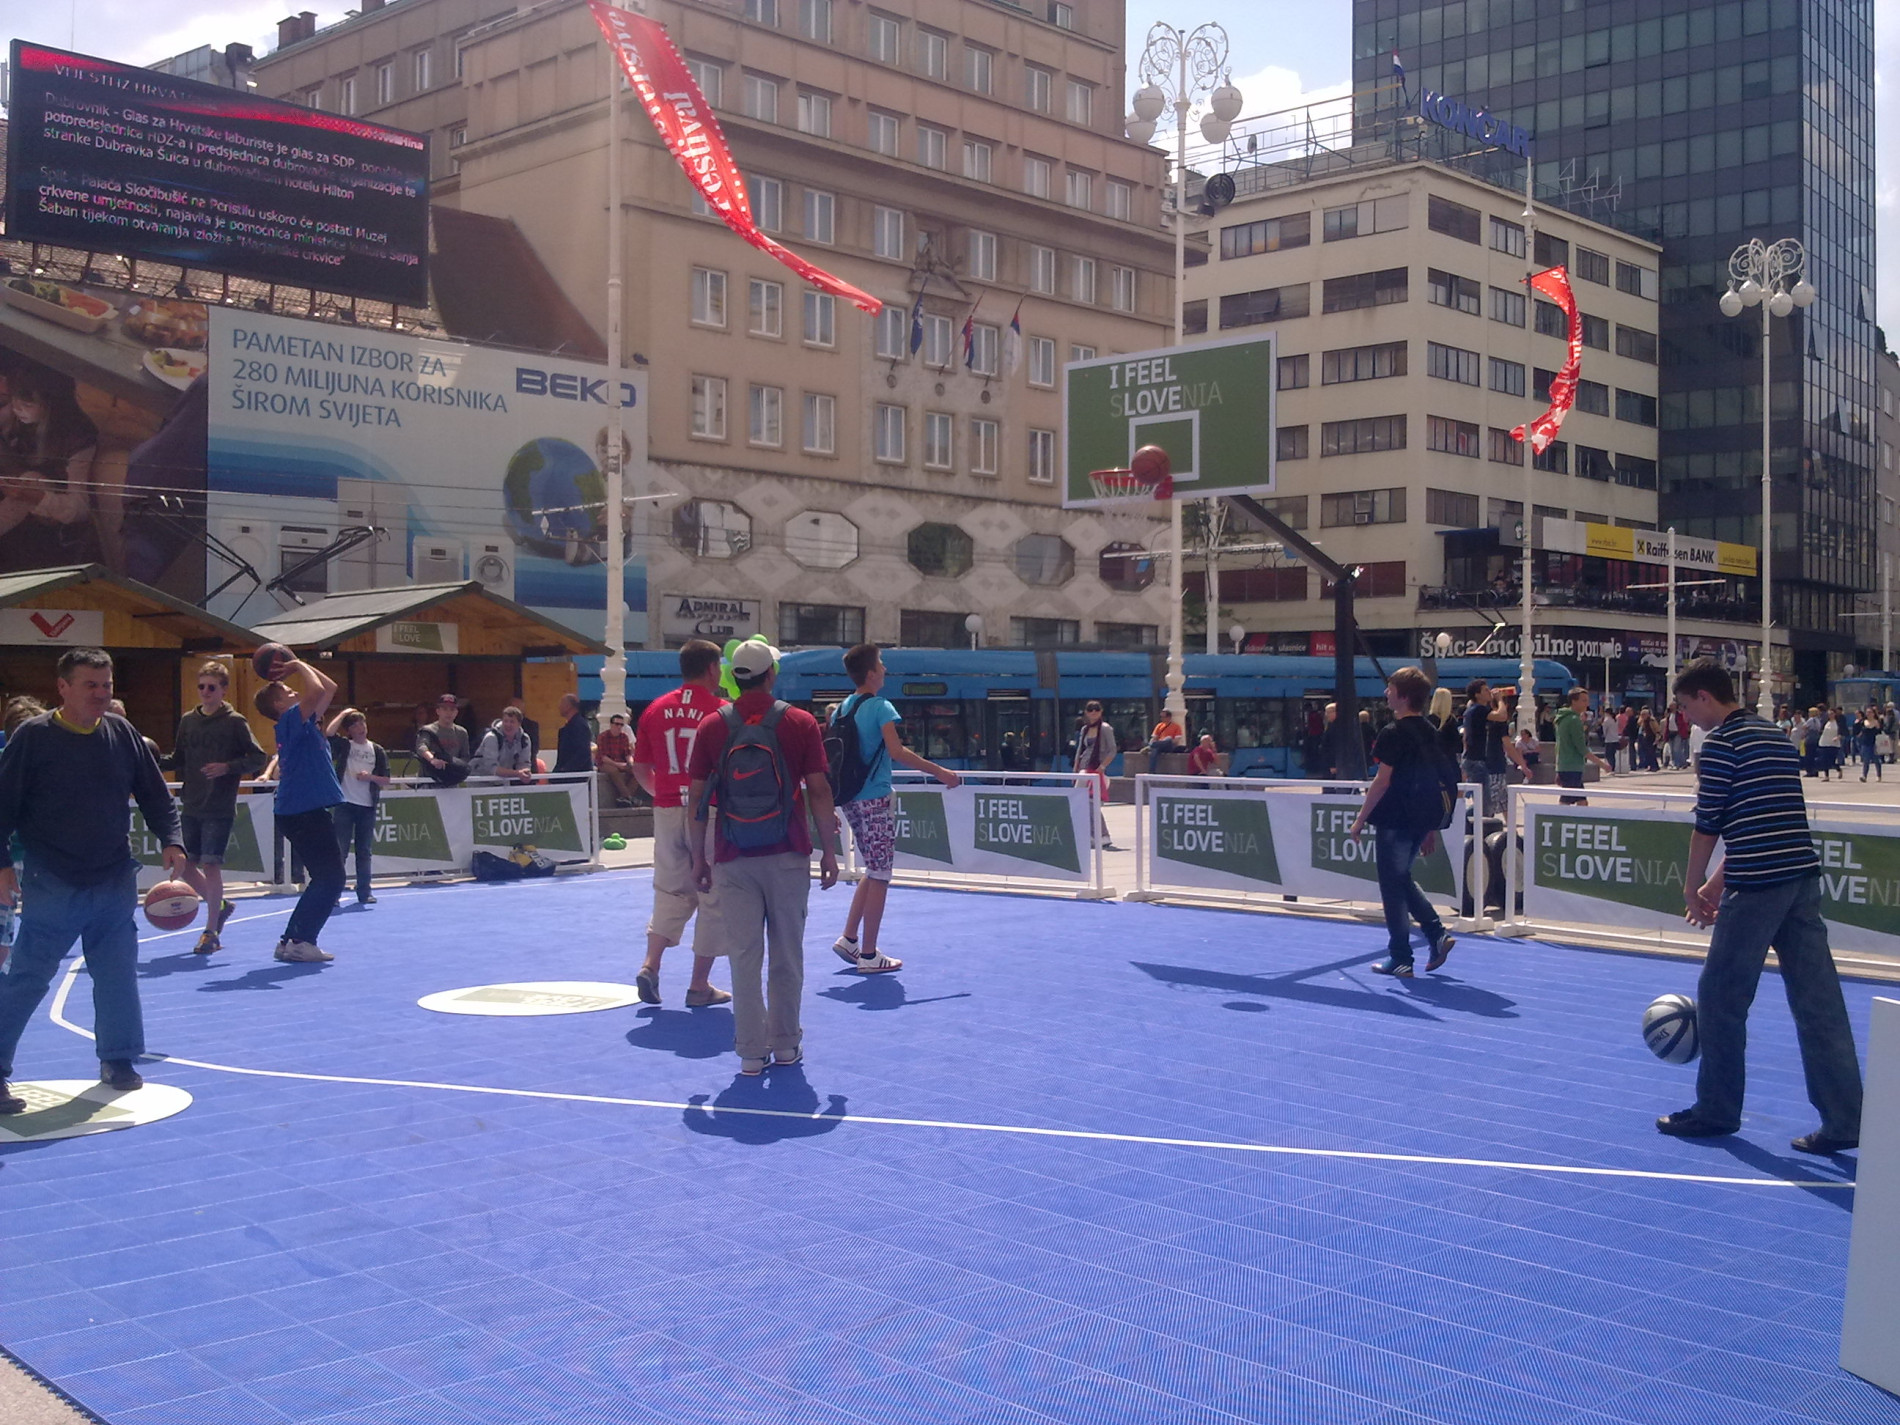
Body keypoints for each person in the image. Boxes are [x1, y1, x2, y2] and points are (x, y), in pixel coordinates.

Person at [1665, 659, 1861, 1154]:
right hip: (1799, 878)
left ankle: (1717, 1109)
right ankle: (1846, 1118)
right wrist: (1715, 883)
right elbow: (1768, 818)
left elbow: (1708, 825)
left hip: (1756, 888)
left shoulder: (1721, 746)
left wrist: (1693, 889)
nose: (1687, 718)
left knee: (1721, 998)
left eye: (1686, 707)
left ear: (1705, 697)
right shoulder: (1774, 736)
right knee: (1819, 1004)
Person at [0, 648, 188, 1113]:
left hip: (112, 877)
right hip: (53, 879)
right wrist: (2, 865)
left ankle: (118, 1060)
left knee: (117, 973)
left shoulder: (121, 733)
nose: (102, 693)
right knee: (27, 978)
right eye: (91, 685)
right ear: (62, 688)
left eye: (107, 685)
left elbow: (154, 792)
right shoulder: (33, 738)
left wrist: (172, 838)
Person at [687, 641, 839, 1077]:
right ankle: (786, 1044)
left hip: (733, 854)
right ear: (771, 674)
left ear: (736, 676)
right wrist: (829, 850)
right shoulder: (799, 722)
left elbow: (697, 798)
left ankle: (751, 1052)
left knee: (743, 956)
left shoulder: (713, 726)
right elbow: (820, 790)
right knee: (787, 955)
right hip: (787, 853)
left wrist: (699, 857)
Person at [829, 643, 961, 975]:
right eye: (882, 664)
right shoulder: (881, 707)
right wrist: (940, 772)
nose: (885, 669)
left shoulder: (841, 710)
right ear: (871, 673)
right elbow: (897, 751)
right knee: (881, 874)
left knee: (872, 869)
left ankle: (849, 938)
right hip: (875, 798)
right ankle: (870, 954)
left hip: (850, 798)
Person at [630, 639, 730, 1009]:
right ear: (710, 669)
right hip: (709, 810)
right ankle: (699, 985)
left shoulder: (656, 709)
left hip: (668, 806)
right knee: (712, 896)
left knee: (670, 893)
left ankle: (650, 965)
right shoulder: (721, 711)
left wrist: (664, 794)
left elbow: (640, 767)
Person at [1349, 666, 1454, 979]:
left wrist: (1359, 820)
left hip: (1395, 817)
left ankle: (1401, 957)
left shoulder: (1392, 733)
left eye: (1391, 689)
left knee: (1392, 887)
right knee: (1401, 878)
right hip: (1421, 818)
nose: (1386, 694)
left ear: (1404, 696)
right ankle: (1436, 934)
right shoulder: (1431, 732)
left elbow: (1382, 782)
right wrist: (1431, 828)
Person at [167, 659, 268, 955]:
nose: (206, 692)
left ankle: (211, 931)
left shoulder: (235, 721)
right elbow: (178, 758)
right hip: (192, 801)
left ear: (224, 690)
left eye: (212, 687)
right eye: (201, 686)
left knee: (211, 863)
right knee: (184, 865)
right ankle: (219, 905)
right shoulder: (188, 720)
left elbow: (258, 757)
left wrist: (228, 767)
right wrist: (147, 759)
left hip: (219, 804)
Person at [254, 655, 347, 963]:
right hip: (303, 809)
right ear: (280, 706)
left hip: (301, 809)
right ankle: (301, 939)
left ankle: (291, 940)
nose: (295, 692)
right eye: (288, 693)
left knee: (325, 877)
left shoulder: (301, 722)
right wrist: (295, 664)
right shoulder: (292, 719)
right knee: (331, 878)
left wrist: (301, 661)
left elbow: (329, 687)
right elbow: (316, 690)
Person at [326, 708, 389, 908]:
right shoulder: (345, 746)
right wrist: (343, 713)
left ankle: (364, 892)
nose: (360, 728)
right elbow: (328, 733)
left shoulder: (377, 750)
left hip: (367, 806)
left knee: (364, 851)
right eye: (354, 725)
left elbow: (386, 779)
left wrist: (369, 777)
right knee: (340, 851)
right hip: (345, 804)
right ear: (349, 731)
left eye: (362, 723)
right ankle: (333, 893)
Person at [1553, 687, 1613, 806]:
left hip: (1565, 764)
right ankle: (1558, 822)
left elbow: (1560, 745)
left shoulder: (1562, 718)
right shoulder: (1574, 720)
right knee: (1566, 801)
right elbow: (1582, 748)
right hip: (1572, 766)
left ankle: (1574, 821)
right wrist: (1602, 764)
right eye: (1583, 700)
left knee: (1581, 801)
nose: (1587, 703)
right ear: (1574, 701)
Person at [1074, 701, 1118, 849]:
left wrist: (1102, 767)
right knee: (1081, 803)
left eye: (1096, 709)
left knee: (1093, 803)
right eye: (1090, 710)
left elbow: (1112, 750)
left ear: (1101, 711)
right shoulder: (1085, 729)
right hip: (1084, 769)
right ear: (1086, 712)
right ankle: (1091, 835)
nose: (1093, 712)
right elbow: (1080, 750)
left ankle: (1103, 835)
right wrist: (1076, 767)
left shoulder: (1105, 728)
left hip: (1096, 770)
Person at [415, 694, 471, 786]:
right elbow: (421, 747)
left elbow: (465, 757)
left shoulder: (462, 732)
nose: (448, 713)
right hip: (429, 781)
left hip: (451, 782)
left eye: (452, 709)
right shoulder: (428, 730)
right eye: (445, 709)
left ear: (456, 712)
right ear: (438, 711)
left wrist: (455, 766)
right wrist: (432, 759)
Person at [472, 706, 536, 782]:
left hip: (502, 781)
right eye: (505, 721)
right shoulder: (491, 738)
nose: (508, 725)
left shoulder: (524, 739)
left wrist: (525, 773)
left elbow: (524, 763)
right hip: (478, 782)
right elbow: (492, 768)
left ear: (519, 724)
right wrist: (517, 773)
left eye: (512, 721)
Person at [594, 713, 636, 806]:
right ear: (611, 724)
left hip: (620, 762)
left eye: (621, 725)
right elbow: (603, 757)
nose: (619, 727)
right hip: (605, 763)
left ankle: (624, 798)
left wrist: (630, 763)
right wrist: (618, 764)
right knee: (613, 770)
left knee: (637, 771)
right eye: (617, 724)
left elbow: (627, 754)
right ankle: (629, 797)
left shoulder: (624, 737)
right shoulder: (603, 736)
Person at [554, 693, 593, 776]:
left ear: (569, 706)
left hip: (577, 776)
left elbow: (583, 752)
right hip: (566, 774)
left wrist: (565, 770)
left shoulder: (580, 725)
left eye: (562, 703)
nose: (559, 707)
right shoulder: (568, 727)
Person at [1858, 707, 1883, 782]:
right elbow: (1861, 731)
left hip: (1874, 743)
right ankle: (1864, 776)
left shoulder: (1876, 722)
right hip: (1865, 743)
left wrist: (1878, 728)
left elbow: (1879, 732)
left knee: (1876, 760)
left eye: (1870, 712)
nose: (1868, 714)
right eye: (1867, 712)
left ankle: (1879, 775)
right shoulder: (1863, 722)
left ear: (1873, 713)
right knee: (1866, 760)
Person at [1816, 706, 1840, 781]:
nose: (1830, 715)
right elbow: (1821, 730)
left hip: (1834, 743)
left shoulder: (1838, 722)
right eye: (1829, 714)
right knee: (1824, 760)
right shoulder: (1825, 722)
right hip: (1824, 742)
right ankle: (1826, 776)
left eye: (1832, 713)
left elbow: (1842, 732)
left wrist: (1838, 737)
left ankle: (1838, 769)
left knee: (1832, 760)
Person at [1599, 702, 1623, 774]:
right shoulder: (1615, 720)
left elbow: (1604, 730)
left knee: (1608, 755)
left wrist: (1603, 737)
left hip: (1609, 740)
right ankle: (1613, 768)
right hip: (1615, 739)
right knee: (1613, 755)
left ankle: (1610, 768)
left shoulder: (1607, 720)